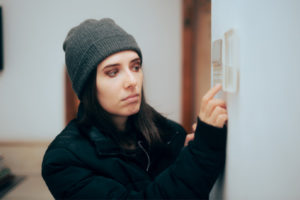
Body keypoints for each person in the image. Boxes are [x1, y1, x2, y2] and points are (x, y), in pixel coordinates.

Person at [42, 18, 228, 199]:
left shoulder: (171, 134)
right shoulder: (63, 160)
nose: (132, 81)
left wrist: (191, 156)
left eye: (136, 66)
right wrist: (199, 154)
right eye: (113, 72)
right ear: (87, 86)